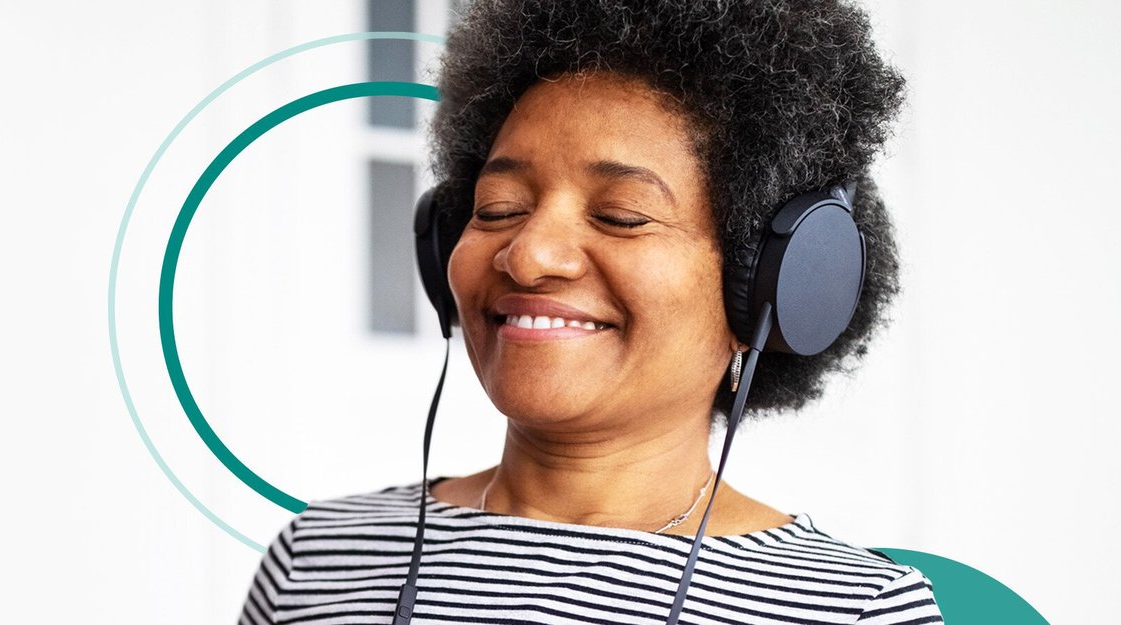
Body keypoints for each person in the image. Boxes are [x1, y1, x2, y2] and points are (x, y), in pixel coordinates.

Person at [240, 0, 939, 623]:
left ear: (771, 286)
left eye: (621, 216)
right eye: (497, 209)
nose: (529, 253)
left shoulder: (854, 608)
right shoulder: (314, 559)